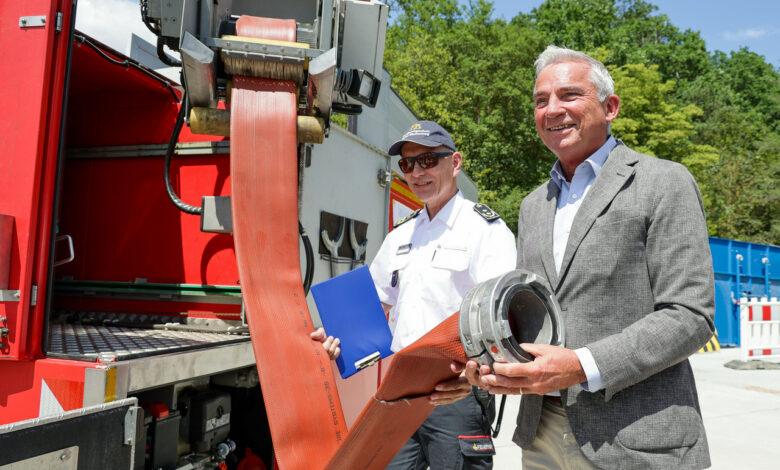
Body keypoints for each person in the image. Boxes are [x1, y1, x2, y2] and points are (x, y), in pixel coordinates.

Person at [461, 45, 716, 470]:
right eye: (541, 101)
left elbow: (690, 315)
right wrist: (496, 365)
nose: (552, 109)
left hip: (635, 440)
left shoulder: (663, 182)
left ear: (610, 106)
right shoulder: (532, 205)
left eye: (569, 95)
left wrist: (581, 366)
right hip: (541, 436)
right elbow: (529, 314)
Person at [312, 120, 517, 469]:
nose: (416, 172)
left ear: (455, 163)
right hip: (400, 392)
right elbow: (375, 304)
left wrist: (473, 377)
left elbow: (498, 318)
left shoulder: (485, 230)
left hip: (456, 392)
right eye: (407, 164)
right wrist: (336, 336)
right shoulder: (400, 236)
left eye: (428, 160)